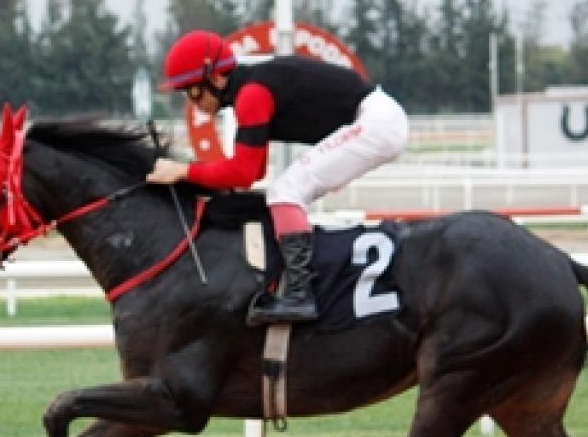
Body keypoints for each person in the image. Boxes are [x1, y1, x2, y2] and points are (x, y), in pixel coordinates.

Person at [147, 29, 409, 326]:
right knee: (284, 190)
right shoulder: (249, 90)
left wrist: (183, 171)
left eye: (193, 91)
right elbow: (253, 171)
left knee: (285, 191)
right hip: (377, 118)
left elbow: (243, 173)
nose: (193, 102)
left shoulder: (252, 94)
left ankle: (300, 293)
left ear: (217, 78)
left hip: (376, 122)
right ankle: (297, 286)